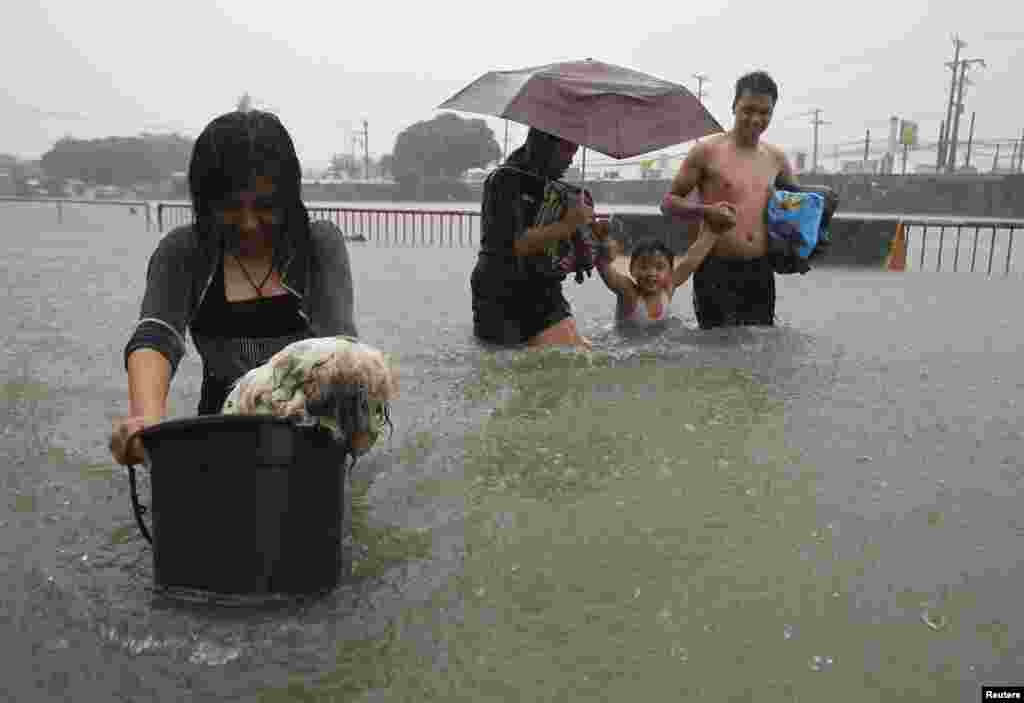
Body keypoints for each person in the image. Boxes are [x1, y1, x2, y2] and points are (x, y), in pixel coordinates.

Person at [108, 110, 357, 466]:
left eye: (266, 206)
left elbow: (340, 347)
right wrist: (145, 422)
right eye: (228, 207)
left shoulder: (319, 245)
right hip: (219, 433)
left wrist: (354, 422)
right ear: (204, 203)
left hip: (309, 435)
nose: (249, 224)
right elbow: (157, 336)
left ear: (289, 199)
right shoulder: (183, 252)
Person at [660, 70, 799, 329]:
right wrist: (706, 211)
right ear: (734, 106)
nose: (756, 118)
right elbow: (668, 203)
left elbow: (799, 209)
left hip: (760, 270)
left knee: (759, 349)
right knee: (714, 352)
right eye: (748, 109)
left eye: (765, 112)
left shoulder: (776, 158)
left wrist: (802, 249)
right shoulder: (707, 151)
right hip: (714, 267)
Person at [470, 127, 598, 349]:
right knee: (508, 365)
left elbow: (559, 250)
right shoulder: (504, 180)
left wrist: (589, 248)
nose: (571, 158)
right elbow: (516, 244)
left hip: (544, 286)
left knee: (582, 353)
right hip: (501, 290)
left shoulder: (557, 189)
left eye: (575, 149)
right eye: (567, 149)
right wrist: (568, 224)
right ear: (544, 144)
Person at [592, 230, 721, 326]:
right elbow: (608, 273)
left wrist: (713, 232)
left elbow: (690, 262)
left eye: (659, 267)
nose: (651, 273)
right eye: (643, 266)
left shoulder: (667, 290)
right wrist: (602, 249)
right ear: (632, 269)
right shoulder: (629, 293)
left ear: (669, 272)